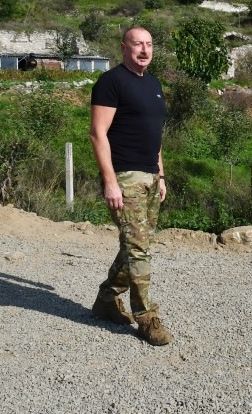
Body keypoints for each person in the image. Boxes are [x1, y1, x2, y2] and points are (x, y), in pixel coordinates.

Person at [89, 26, 173, 345]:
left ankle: (106, 301)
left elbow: (155, 135)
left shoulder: (153, 84)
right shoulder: (111, 83)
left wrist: (161, 175)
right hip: (125, 177)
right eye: (137, 44)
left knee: (134, 245)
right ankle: (146, 317)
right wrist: (110, 182)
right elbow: (98, 134)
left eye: (149, 44)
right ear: (124, 48)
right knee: (139, 247)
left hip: (150, 176)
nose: (144, 49)